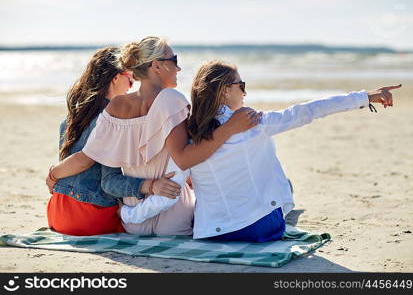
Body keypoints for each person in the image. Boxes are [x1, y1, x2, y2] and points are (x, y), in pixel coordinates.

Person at [121, 60, 400, 243]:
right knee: (282, 185)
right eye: (241, 86)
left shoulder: (191, 134)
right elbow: (308, 111)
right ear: (223, 92)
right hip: (261, 229)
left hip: (214, 235)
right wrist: (366, 97)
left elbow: (173, 186)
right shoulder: (254, 123)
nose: (245, 93)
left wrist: (129, 217)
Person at [47, 37, 262, 236]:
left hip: (131, 221)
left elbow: (106, 179)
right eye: (174, 60)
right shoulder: (172, 100)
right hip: (169, 213)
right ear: (156, 65)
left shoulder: (113, 107)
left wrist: (54, 174)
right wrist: (230, 127)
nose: (178, 68)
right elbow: (187, 159)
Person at [46, 46, 182, 236]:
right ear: (116, 78)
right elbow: (109, 182)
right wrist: (150, 185)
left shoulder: (72, 119)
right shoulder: (113, 119)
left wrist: (53, 174)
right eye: (130, 78)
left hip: (57, 214)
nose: (131, 85)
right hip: (90, 218)